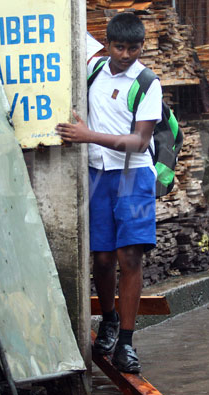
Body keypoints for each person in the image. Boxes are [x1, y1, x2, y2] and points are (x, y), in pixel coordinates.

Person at [56, 12, 161, 374]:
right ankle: (110, 319)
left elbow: (140, 140)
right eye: (120, 46)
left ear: (141, 46)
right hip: (97, 174)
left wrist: (88, 136)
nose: (126, 54)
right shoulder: (94, 70)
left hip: (133, 176)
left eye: (134, 48)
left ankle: (128, 344)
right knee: (102, 259)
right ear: (108, 43)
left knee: (129, 257)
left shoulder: (148, 82)